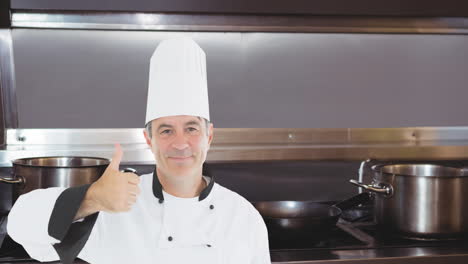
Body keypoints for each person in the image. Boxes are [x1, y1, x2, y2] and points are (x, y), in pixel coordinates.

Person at [7, 37, 271, 264]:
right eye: (166, 130)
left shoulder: (243, 217)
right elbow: (19, 225)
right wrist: (92, 197)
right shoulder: (115, 204)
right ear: (148, 139)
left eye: (191, 128)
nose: (180, 143)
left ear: (209, 135)